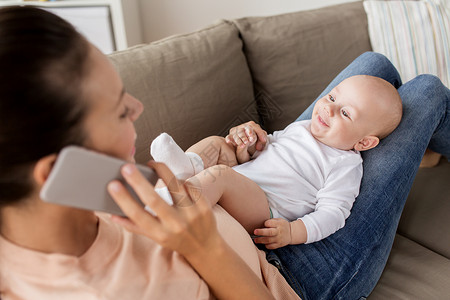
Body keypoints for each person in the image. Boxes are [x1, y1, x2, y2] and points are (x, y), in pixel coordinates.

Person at [0, 6, 448, 300]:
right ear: (52, 169)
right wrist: (206, 248)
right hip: (291, 262)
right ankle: (421, 147)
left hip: (257, 192)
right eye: (120, 110)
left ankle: (419, 152)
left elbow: (198, 180)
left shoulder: (80, 189)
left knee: (375, 69)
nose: (138, 108)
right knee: (425, 93)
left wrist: (235, 154)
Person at [149, 75, 403, 249]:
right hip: (244, 177)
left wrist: (293, 233)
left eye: (346, 113)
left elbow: (334, 214)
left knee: (222, 176)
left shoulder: (345, 164)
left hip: (264, 206)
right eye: (332, 98)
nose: (329, 109)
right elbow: (266, 150)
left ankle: (170, 203)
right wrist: (248, 145)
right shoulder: (303, 127)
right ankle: (184, 167)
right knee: (218, 144)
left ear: (364, 143)